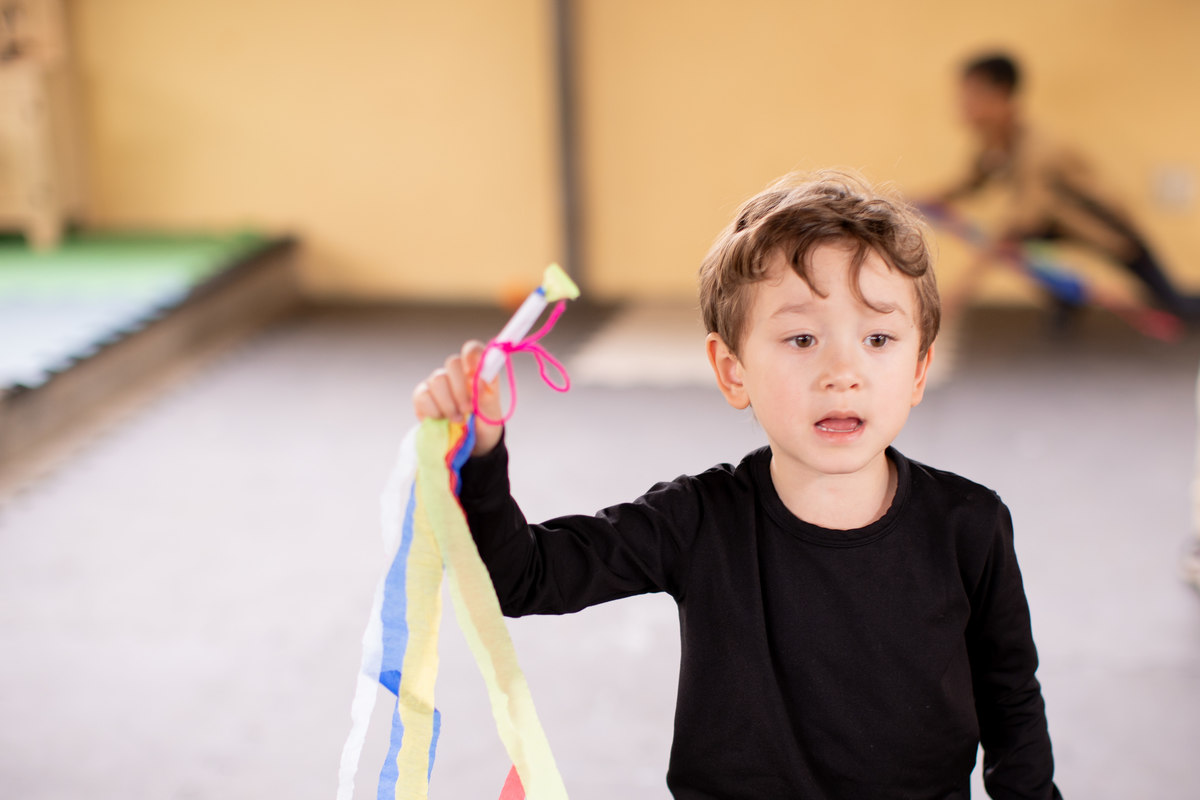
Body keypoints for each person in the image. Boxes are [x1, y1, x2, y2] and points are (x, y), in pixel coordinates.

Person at [413, 171, 1063, 799]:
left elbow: (1010, 697)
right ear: (732, 371)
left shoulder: (970, 525)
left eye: (878, 338)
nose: (843, 371)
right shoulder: (696, 521)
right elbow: (521, 577)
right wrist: (482, 452)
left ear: (919, 369)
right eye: (802, 338)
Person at [933, 52, 1200, 319]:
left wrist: (962, 288)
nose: (962, 104)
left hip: (1108, 229)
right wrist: (924, 200)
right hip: (1059, 224)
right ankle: (1063, 302)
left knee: (1176, 305)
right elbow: (973, 181)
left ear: (1001, 95)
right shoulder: (998, 141)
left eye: (972, 95)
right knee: (1019, 243)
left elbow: (1023, 219)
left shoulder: (1038, 149)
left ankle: (1066, 302)